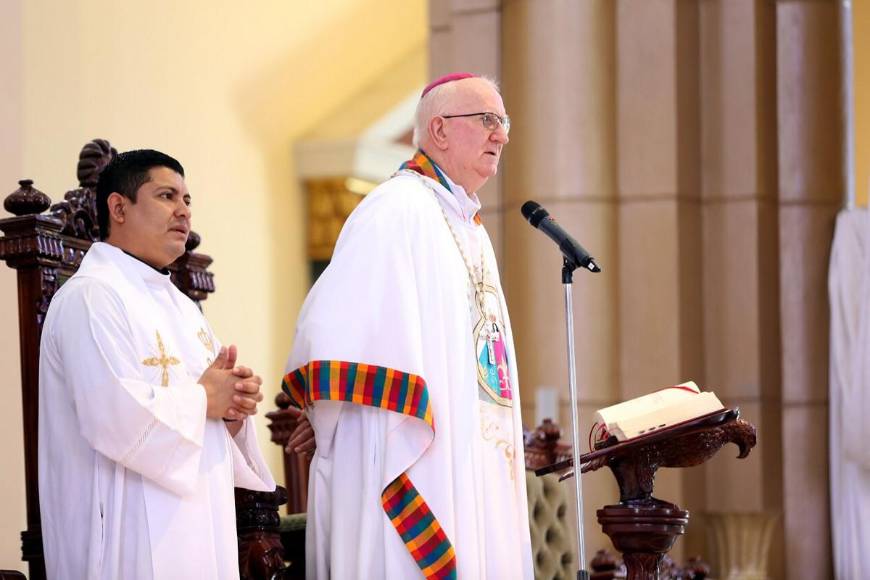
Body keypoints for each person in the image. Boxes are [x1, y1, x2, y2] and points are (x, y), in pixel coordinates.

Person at [284, 73, 534, 579]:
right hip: (413, 458)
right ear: (439, 131)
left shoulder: (469, 228)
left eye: (503, 121)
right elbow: (334, 330)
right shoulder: (394, 210)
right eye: (487, 120)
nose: (501, 135)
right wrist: (330, 413)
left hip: (472, 453)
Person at [38, 149, 276, 580]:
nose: (183, 211)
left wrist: (234, 411)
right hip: (127, 531)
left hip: (200, 524)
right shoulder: (90, 298)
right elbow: (110, 416)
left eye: (187, 200)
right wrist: (206, 399)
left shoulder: (183, 309)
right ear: (118, 207)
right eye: (167, 195)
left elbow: (211, 412)